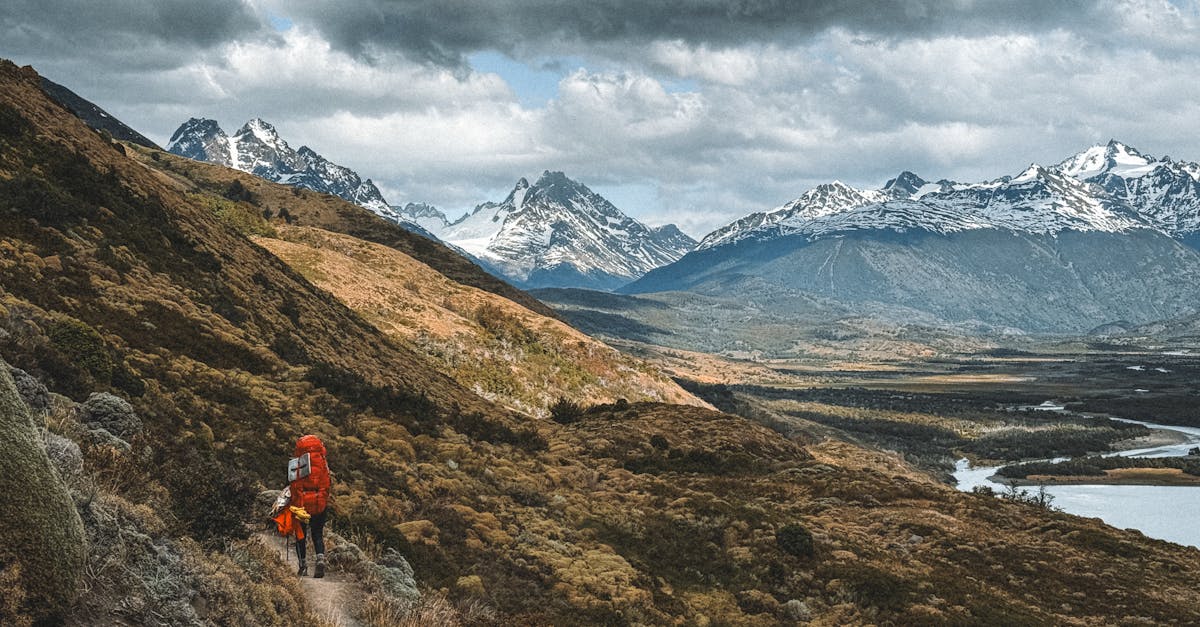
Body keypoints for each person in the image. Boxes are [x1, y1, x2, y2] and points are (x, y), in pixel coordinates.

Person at [290, 434, 331, 577]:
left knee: (300, 534)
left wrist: (295, 502)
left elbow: (294, 486)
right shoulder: (323, 463)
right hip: (319, 502)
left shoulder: (297, 464)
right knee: (317, 533)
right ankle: (320, 558)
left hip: (302, 504)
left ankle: (303, 566)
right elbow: (327, 484)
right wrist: (323, 498)